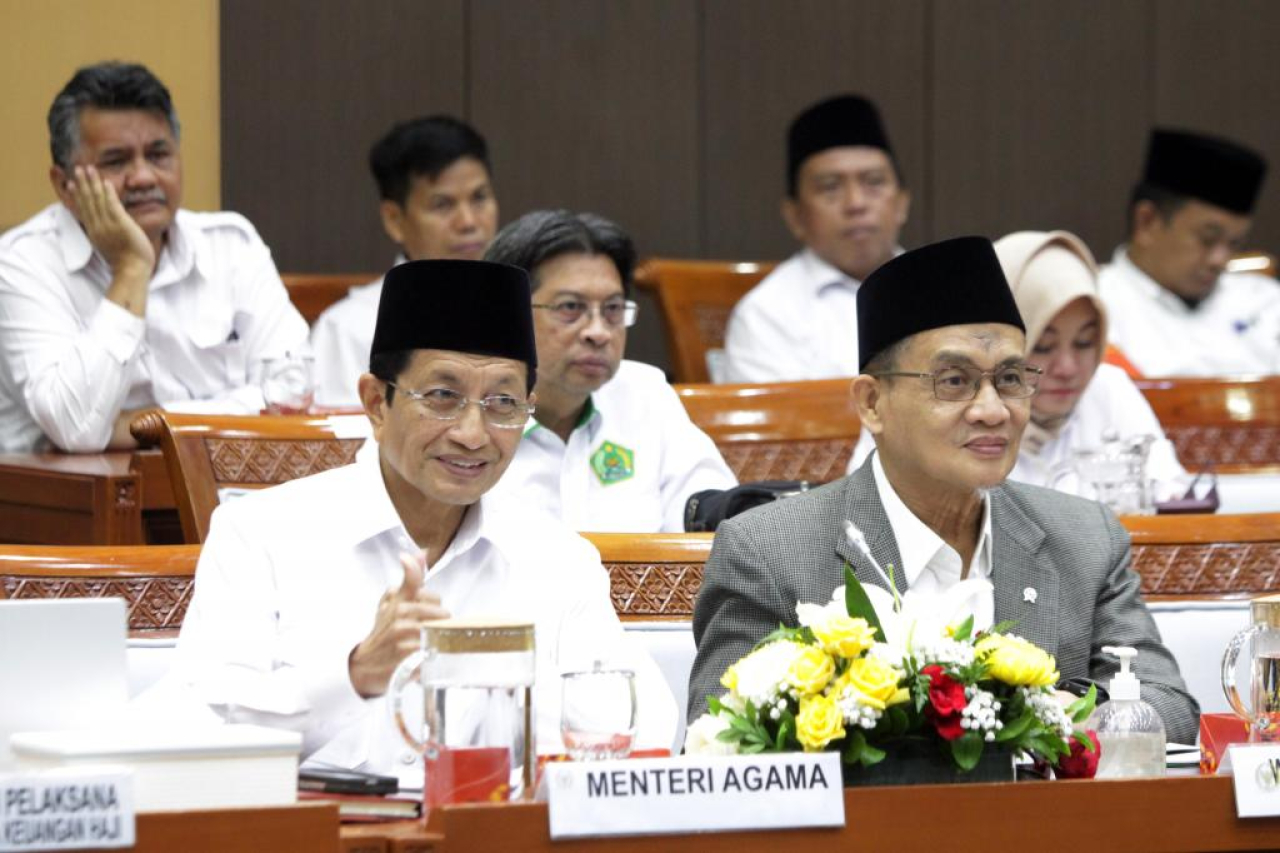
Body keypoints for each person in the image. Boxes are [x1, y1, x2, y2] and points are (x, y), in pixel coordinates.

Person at [170, 260, 678, 784]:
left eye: (503, 403)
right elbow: (197, 729)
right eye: (442, 397)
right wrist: (356, 675)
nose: (472, 433)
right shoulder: (259, 535)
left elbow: (645, 728)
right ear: (375, 402)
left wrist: (523, 702)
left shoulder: (558, 559)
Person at [689, 237, 1198, 745]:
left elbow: (1171, 709)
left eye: (1011, 378)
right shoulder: (769, 554)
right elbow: (716, 740)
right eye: (954, 381)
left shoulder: (1084, 537)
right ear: (872, 403)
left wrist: (1064, 712)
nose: (993, 410)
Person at [0, 61, 309, 453]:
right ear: (64, 185)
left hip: (230, 491)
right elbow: (75, 428)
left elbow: (293, 390)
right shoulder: (22, 263)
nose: (144, 177)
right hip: (77, 506)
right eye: (116, 161)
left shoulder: (230, 245)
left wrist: (142, 427)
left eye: (158, 154)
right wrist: (131, 268)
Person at [846, 231, 1192, 503]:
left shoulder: (1110, 391)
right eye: (1042, 346)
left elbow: (1173, 502)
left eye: (1085, 343)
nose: (1068, 367)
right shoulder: (904, 405)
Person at [484, 210, 736, 532]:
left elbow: (709, 518)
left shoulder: (644, 393)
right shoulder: (470, 415)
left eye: (613, 309)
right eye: (571, 308)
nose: (599, 332)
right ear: (507, 313)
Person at [311, 116, 499, 407]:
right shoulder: (349, 328)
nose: (469, 221)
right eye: (443, 205)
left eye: (479, 198)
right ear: (394, 220)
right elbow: (343, 447)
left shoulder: (533, 308)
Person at [722, 94, 910, 383]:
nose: (856, 203)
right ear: (794, 216)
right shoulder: (766, 315)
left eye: (873, 182)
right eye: (830, 187)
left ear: (901, 203)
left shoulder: (948, 290)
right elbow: (781, 426)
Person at [1099, 128, 1276, 375]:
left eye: (1234, 243)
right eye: (1208, 239)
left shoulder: (1266, 302)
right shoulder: (1093, 304)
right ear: (1147, 222)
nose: (1220, 260)